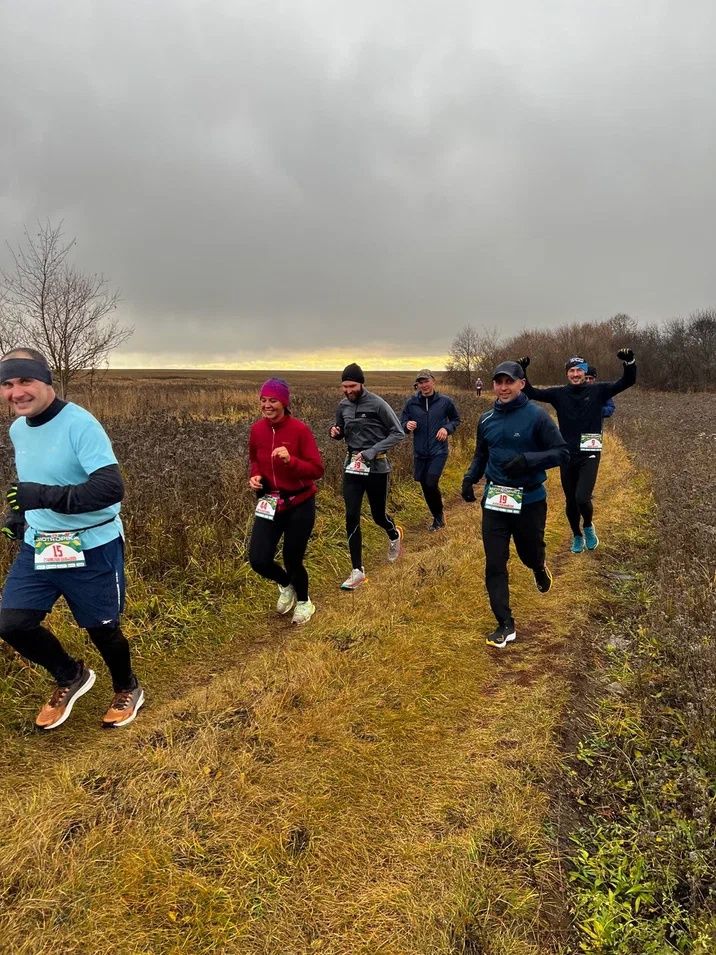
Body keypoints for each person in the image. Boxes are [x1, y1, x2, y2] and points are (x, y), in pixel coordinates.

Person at [0, 348, 143, 730]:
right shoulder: (17, 428)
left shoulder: (80, 424)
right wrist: (18, 513)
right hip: (40, 545)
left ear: (46, 381)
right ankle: (69, 675)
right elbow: (29, 482)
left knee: (102, 627)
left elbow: (110, 488)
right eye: (7, 384)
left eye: (25, 381)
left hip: (91, 543)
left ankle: (127, 686)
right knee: (11, 622)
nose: (16, 392)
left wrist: (42, 497)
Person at [461, 361, 568, 649]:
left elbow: (561, 452)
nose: (503, 387)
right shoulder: (485, 419)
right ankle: (505, 624)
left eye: (510, 382)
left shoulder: (537, 417)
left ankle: (537, 566)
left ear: (522, 383)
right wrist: (470, 478)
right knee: (495, 562)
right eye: (499, 382)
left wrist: (528, 461)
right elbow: (481, 454)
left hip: (530, 500)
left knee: (528, 553)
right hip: (495, 500)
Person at [519, 349, 636, 553]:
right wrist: (522, 370)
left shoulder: (598, 391)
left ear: (584, 373)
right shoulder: (558, 394)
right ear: (567, 373)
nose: (575, 374)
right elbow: (531, 392)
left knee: (582, 497)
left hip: (590, 452)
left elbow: (627, 381)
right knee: (571, 501)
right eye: (571, 370)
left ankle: (588, 526)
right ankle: (576, 535)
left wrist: (629, 362)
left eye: (579, 370)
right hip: (567, 454)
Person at [248, 378, 324, 625]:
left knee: (293, 559)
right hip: (269, 502)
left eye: (273, 400)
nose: (267, 405)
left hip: (299, 503)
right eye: (263, 400)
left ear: (284, 403)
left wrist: (291, 460)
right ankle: (285, 584)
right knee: (258, 559)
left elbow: (316, 469)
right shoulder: (257, 430)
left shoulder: (299, 430)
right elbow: (255, 460)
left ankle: (304, 602)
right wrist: (255, 476)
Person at [330, 363, 405, 590]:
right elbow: (341, 429)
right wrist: (336, 432)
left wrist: (372, 450)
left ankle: (394, 534)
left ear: (361, 383)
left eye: (352, 385)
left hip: (377, 467)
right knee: (351, 515)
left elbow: (398, 433)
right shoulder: (343, 405)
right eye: (344, 386)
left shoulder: (378, 404)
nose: (348, 390)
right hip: (352, 466)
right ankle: (357, 571)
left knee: (378, 515)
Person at [400, 369, 461, 530]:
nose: (424, 385)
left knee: (431, 482)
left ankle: (439, 518)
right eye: (420, 382)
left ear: (433, 381)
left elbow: (455, 419)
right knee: (424, 484)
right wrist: (407, 425)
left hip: (439, 450)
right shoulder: (411, 403)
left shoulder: (445, 402)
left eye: (426, 381)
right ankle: (437, 514)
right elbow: (402, 422)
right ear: (417, 385)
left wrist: (446, 429)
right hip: (420, 452)